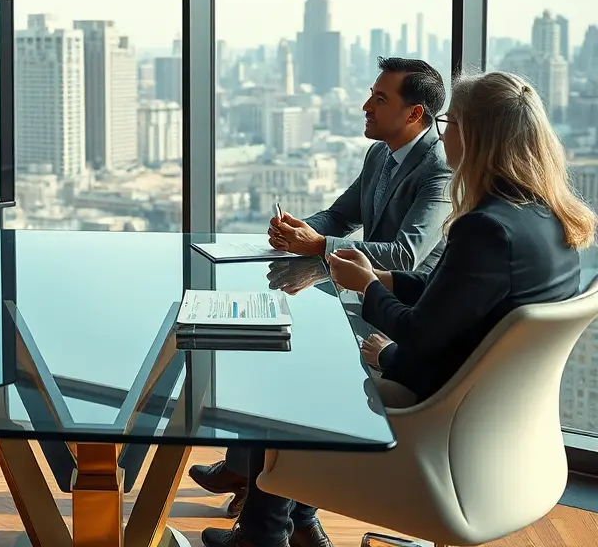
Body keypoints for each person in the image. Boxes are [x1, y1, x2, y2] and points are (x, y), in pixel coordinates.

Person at [200, 70, 595, 547]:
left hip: (431, 417)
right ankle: (295, 523)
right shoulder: (548, 219)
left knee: (284, 376)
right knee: (308, 362)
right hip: (490, 428)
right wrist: (382, 279)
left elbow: (422, 335)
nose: (442, 130)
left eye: (449, 121)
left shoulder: (486, 228)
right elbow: (455, 293)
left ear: (474, 135)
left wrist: (372, 304)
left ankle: (264, 536)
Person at [189, 57, 452, 533]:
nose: (365, 106)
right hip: (361, 292)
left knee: (288, 359)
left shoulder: (439, 170)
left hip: (399, 309)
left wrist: (321, 248)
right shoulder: (382, 155)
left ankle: (274, 510)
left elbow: (405, 256)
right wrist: (302, 229)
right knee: (269, 338)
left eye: (379, 98)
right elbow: (340, 214)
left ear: (414, 114)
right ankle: (263, 486)